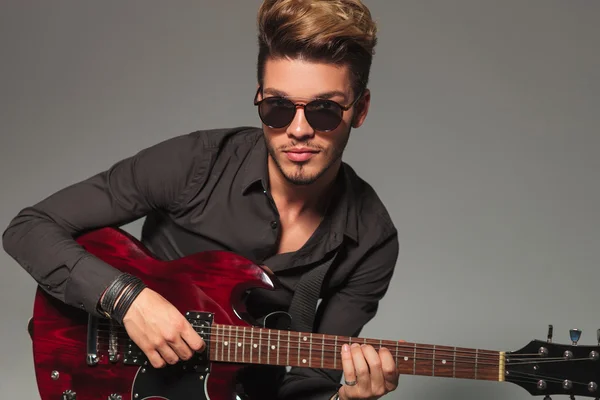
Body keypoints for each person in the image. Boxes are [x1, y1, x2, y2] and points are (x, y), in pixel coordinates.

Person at [2, 0, 400, 399]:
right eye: (278, 107)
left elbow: (308, 381)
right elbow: (29, 228)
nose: (298, 130)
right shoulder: (195, 164)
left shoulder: (369, 240)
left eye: (325, 110)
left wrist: (343, 398)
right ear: (259, 98)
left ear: (360, 109)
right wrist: (128, 301)